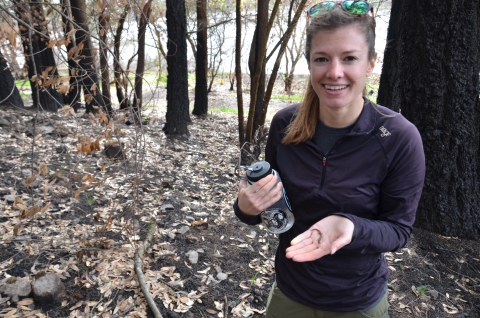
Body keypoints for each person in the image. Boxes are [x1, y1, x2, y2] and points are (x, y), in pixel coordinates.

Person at [233, 1, 426, 317]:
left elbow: (398, 230)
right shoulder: (285, 124)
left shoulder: (399, 138)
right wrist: (246, 207)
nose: (334, 72)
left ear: (370, 63)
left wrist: (349, 226)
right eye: (322, 58)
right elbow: (271, 212)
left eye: (349, 58)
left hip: (357, 300)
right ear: (309, 62)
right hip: (290, 290)